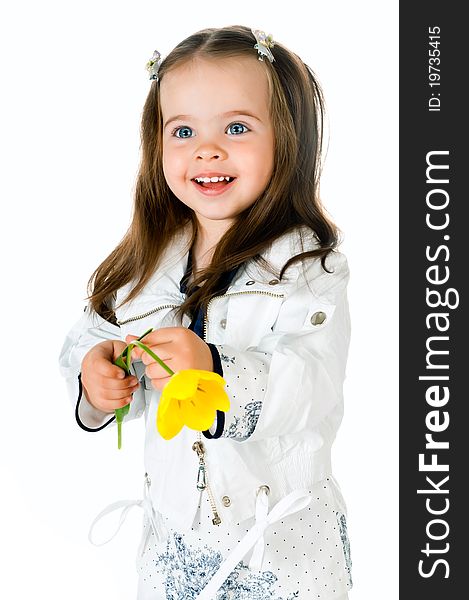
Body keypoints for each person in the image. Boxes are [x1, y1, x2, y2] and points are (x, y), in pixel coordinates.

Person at [59, 25, 352, 600]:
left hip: (280, 546)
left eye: (236, 128)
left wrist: (216, 369)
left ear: (287, 140)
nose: (206, 149)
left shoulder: (308, 267)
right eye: (183, 131)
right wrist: (95, 377)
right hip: (176, 539)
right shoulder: (148, 262)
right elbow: (89, 338)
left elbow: (312, 384)